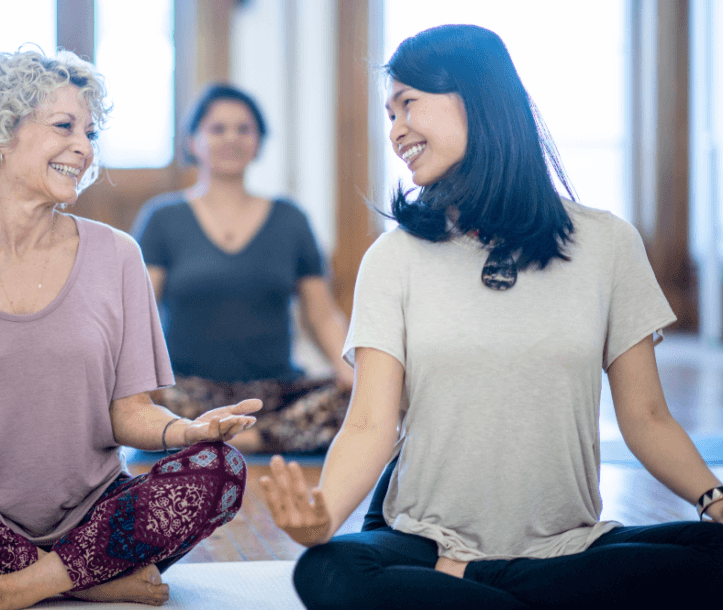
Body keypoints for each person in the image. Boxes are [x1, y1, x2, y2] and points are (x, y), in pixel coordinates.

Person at [260, 24, 723, 609]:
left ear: (476, 98)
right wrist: (321, 518)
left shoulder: (608, 244)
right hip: (422, 542)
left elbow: (649, 417)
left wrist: (714, 500)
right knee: (329, 571)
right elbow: (369, 425)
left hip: (570, 545)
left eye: (409, 105)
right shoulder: (393, 257)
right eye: (389, 114)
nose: (396, 130)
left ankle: (483, 587)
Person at [0, 48, 261, 610]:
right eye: (65, 126)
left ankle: (15, 589)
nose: (85, 148)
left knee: (221, 467)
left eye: (91, 132)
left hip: (101, 517)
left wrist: (187, 433)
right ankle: (97, 581)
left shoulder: (118, 256)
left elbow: (131, 413)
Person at [131, 83, 353, 454]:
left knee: (357, 401)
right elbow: (138, 312)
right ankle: (241, 437)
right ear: (192, 141)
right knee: (134, 402)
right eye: (218, 129)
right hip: (184, 393)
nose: (231, 138)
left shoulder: (290, 218)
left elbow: (322, 314)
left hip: (272, 395)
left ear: (259, 141)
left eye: (244, 129)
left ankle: (234, 437)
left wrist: (349, 369)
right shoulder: (162, 218)